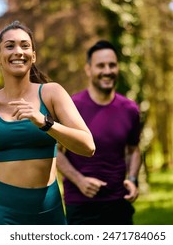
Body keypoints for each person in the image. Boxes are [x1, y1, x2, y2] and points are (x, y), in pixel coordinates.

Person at [0, 21, 95, 225]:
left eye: (25, 45)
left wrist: (45, 123)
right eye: (10, 46)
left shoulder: (51, 93)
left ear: (34, 55)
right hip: (2, 215)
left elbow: (88, 146)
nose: (18, 51)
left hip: (49, 214)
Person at [57, 40, 142, 225]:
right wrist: (79, 180)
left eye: (112, 65)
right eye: (100, 65)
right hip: (80, 206)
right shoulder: (71, 106)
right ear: (88, 69)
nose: (107, 70)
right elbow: (55, 151)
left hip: (119, 204)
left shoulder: (130, 109)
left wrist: (133, 179)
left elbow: (133, 149)